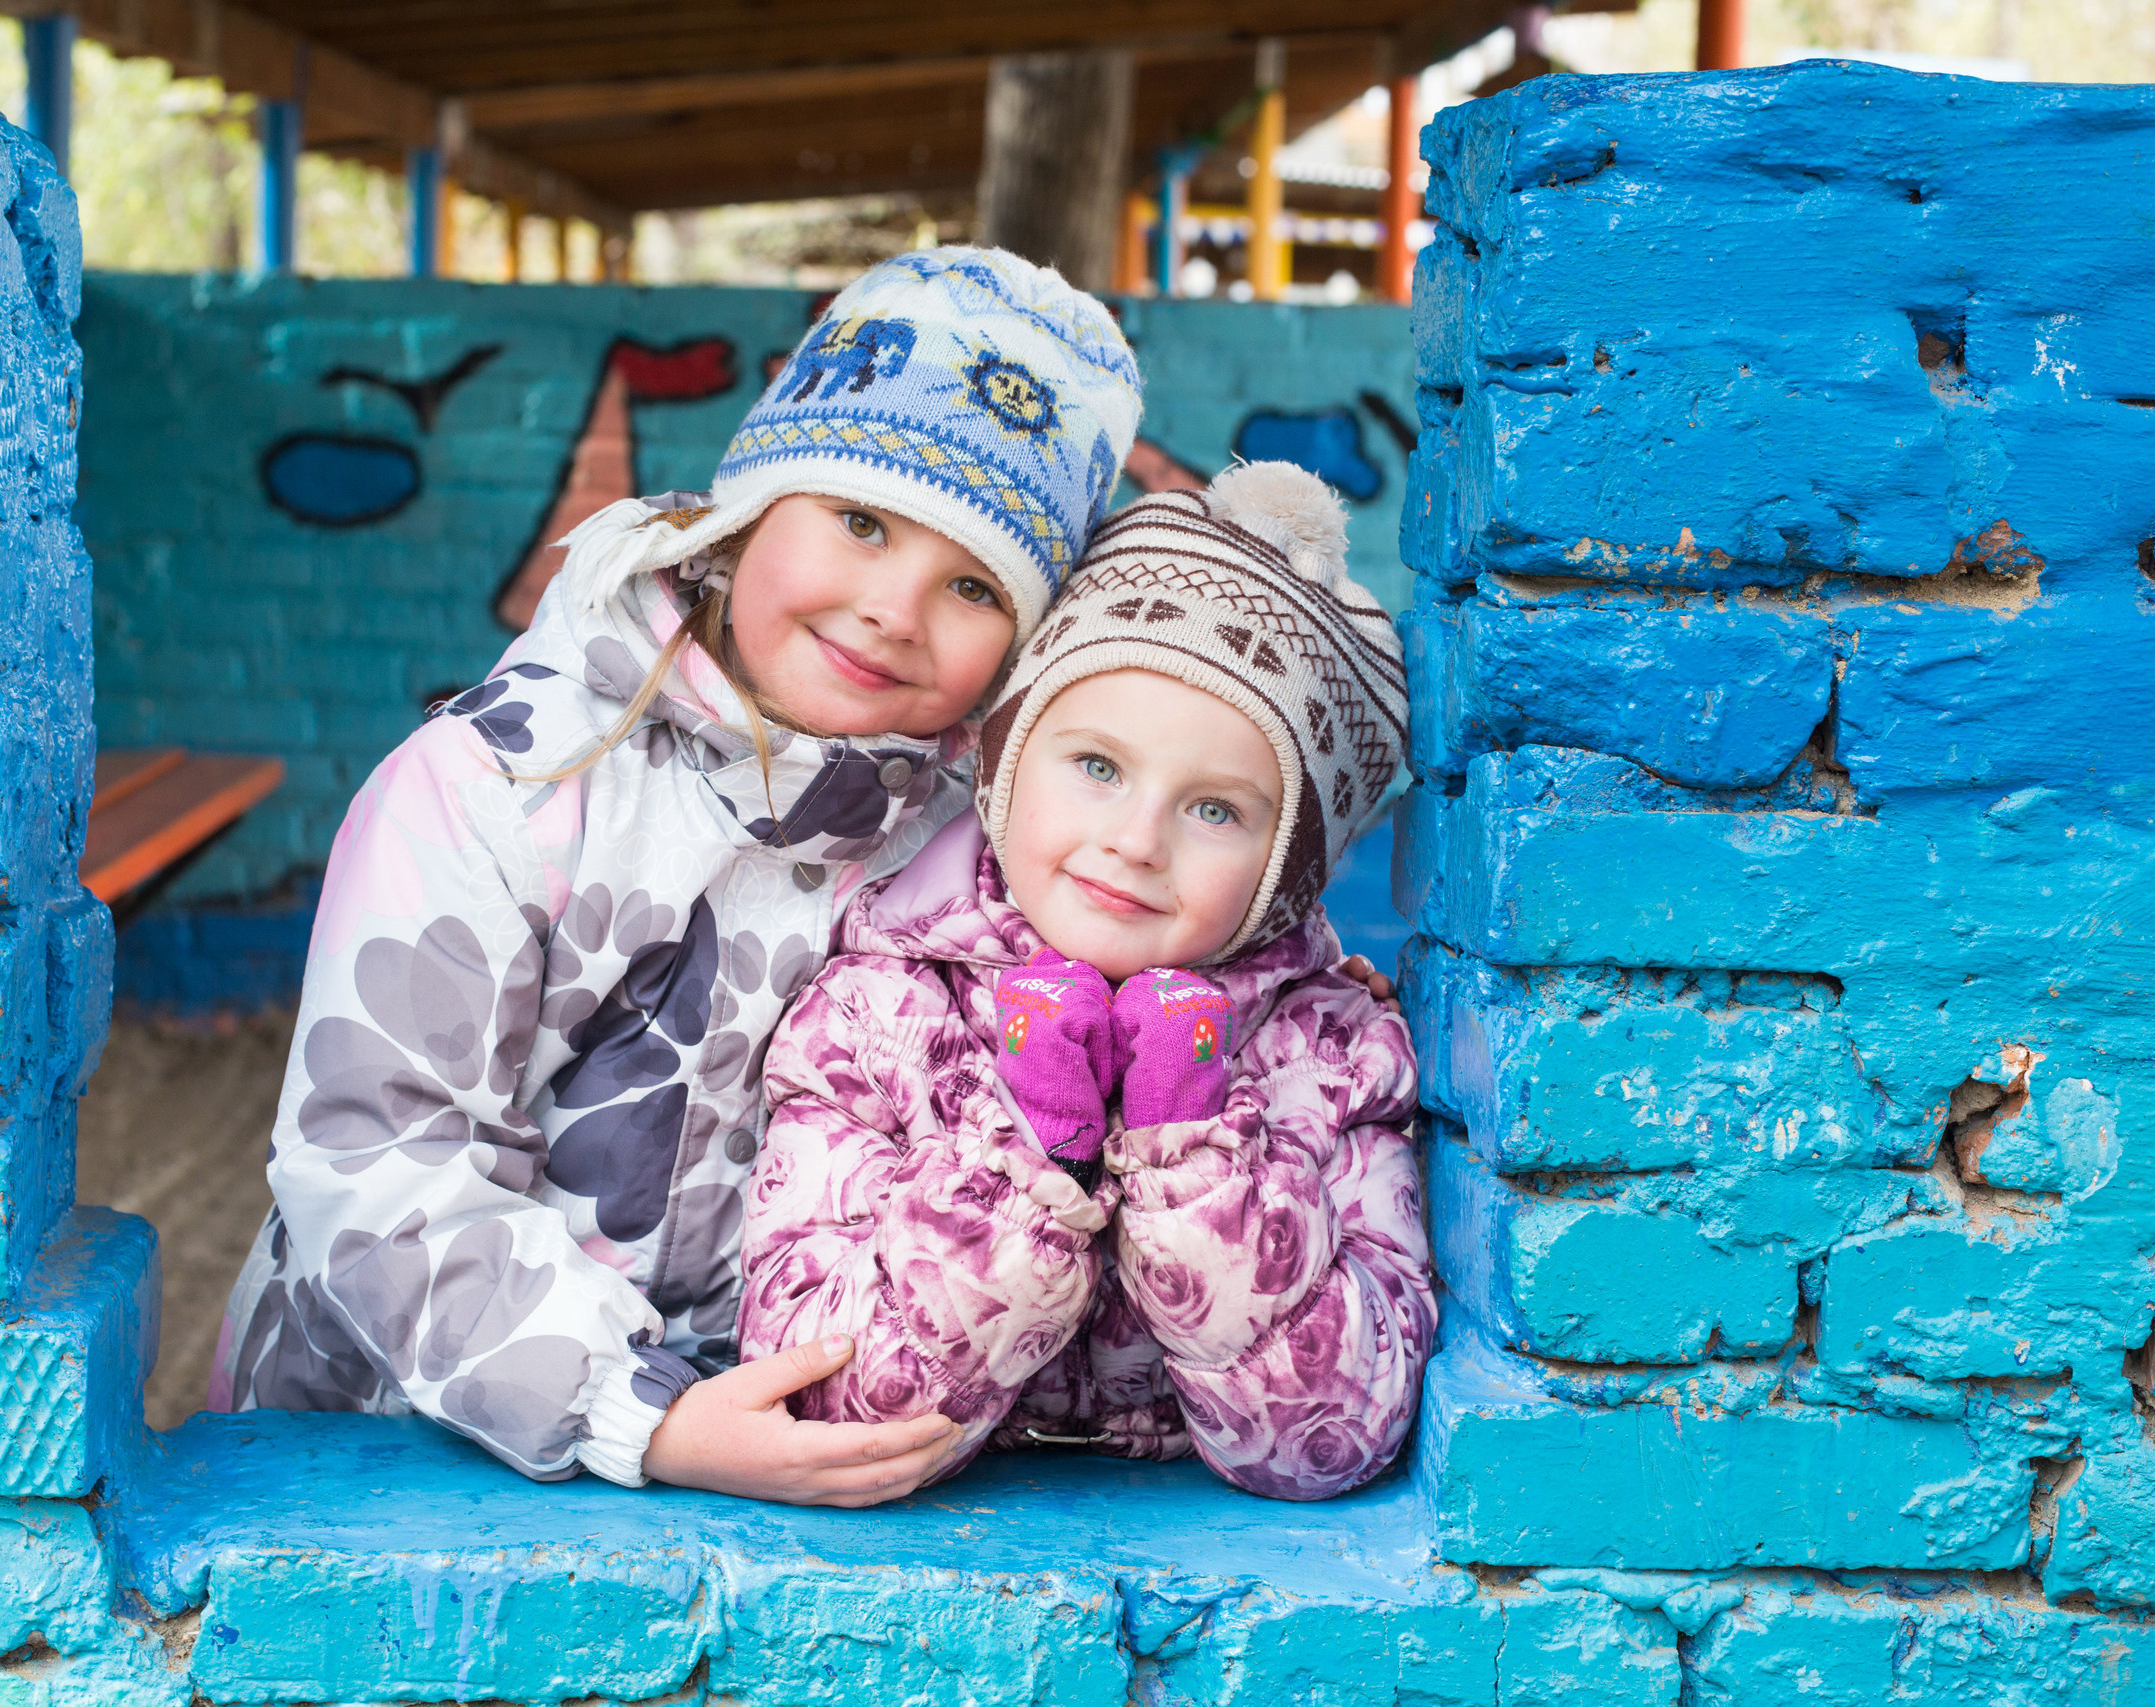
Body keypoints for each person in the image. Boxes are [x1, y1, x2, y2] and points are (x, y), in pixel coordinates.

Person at [207, 247, 1145, 1506]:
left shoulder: (966, 851)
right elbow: (375, 1164)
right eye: (860, 521)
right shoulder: (502, 784)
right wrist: (636, 1413)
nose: (891, 609)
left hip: (768, 1468)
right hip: (395, 1448)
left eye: (973, 585)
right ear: (753, 507)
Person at [738, 460, 1434, 1501]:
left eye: (1216, 810)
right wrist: (1035, 1153)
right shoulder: (872, 1015)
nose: (1135, 841)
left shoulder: (1329, 1057)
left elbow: (1329, 1441)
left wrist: (1188, 1143)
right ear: (1003, 763)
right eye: (1097, 767)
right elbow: (822, 1404)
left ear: (1287, 874)